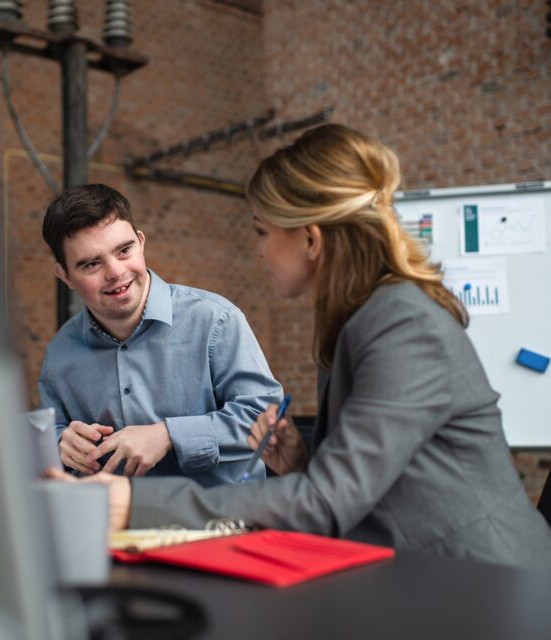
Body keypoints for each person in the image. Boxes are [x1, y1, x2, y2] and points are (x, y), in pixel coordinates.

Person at [47, 124, 551, 568]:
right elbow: (369, 481)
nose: (261, 250)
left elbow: (328, 503)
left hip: (488, 583)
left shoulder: (401, 323)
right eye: (91, 264)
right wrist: (302, 461)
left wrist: (133, 506)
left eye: (264, 232)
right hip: (425, 576)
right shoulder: (358, 319)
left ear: (310, 240)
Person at [38, 183, 283, 487]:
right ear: (65, 276)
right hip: (117, 529)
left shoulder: (214, 320)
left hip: (221, 521)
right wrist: (60, 442)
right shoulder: (60, 353)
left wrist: (168, 435)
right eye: (91, 264)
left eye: (124, 250)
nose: (115, 272)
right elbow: (50, 435)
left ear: (141, 243)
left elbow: (265, 420)